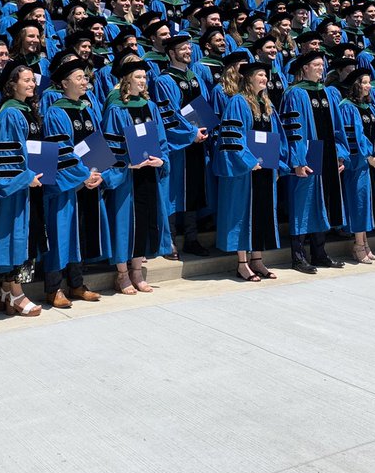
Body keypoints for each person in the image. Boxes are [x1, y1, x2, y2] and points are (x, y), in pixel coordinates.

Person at [39, 60, 106, 308]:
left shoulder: (87, 109)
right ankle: (53, 288)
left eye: (85, 77)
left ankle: (77, 284)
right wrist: (83, 175)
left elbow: (96, 144)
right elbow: (61, 150)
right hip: (65, 185)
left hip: (86, 181)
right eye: (79, 77)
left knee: (79, 234)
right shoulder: (57, 112)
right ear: (65, 83)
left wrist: (98, 172)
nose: (84, 81)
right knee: (60, 234)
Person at [102, 60, 169, 293]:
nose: (142, 81)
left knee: (143, 221)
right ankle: (122, 274)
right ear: (126, 80)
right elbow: (110, 145)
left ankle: (137, 272)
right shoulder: (116, 108)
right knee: (124, 223)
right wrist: (126, 164)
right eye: (138, 77)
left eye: (144, 77)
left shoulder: (150, 106)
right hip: (127, 176)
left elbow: (160, 140)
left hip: (148, 172)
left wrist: (161, 160)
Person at [212, 61, 282, 280]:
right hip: (245, 170)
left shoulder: (266, 104)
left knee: (261, 212)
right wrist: (249, 161)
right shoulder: (238, 102)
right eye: (260, 75)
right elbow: (233, 136)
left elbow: (275, 137)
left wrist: (276, 161)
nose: (264, 78)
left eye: (266, 75)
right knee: (242, 214)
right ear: (249, 77)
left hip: (263, 169)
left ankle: (258, 260)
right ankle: (242, 263)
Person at [0, 60, 46, 316]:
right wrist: (25, 177)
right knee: (17, 237)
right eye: (26, 80)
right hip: (17, 187)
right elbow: (6, 155)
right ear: (12, 85)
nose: (32, 84)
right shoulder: (11, 112)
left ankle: (6, 293)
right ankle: (17, 294)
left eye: (33, 80)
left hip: (29, 183)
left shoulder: (25, 109)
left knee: (24, 236)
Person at [279, 50, 346, 273]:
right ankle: (298, 257)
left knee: (323, 202)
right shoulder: (294, 94)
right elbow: (293, 130)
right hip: (309, 154)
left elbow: (337, 127)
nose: (321, 68)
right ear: (305, 68)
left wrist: (340, 153)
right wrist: (297, 161)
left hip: (326, 153)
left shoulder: (327, 93)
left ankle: (319, 253)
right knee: (303, 204)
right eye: (316, 64)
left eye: (322, 64)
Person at [149, 33, 212, 258]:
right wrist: (190, 133)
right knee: (174, 193)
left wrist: (204, 129)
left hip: (197, 143)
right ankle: (170, 242)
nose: (187, 51)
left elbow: (202, 107)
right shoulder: (164, 80)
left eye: (189, 48)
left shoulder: (194, 77)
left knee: (194, 191)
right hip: (178, 147)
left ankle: (192, 239)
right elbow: (169, 114)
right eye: (183, 48)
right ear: (171, 53)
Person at [335, 68, 375, 264]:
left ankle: (365, 243)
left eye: (369, 82)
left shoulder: (369, 106)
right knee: (359, 203)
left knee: (367, 203)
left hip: (370, 162)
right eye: (365, 82)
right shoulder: (347, 107)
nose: (369, 86)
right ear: (356, 85)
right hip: (358, 164)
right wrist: (367, 158)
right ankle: (358, 245)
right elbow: (352, 138)